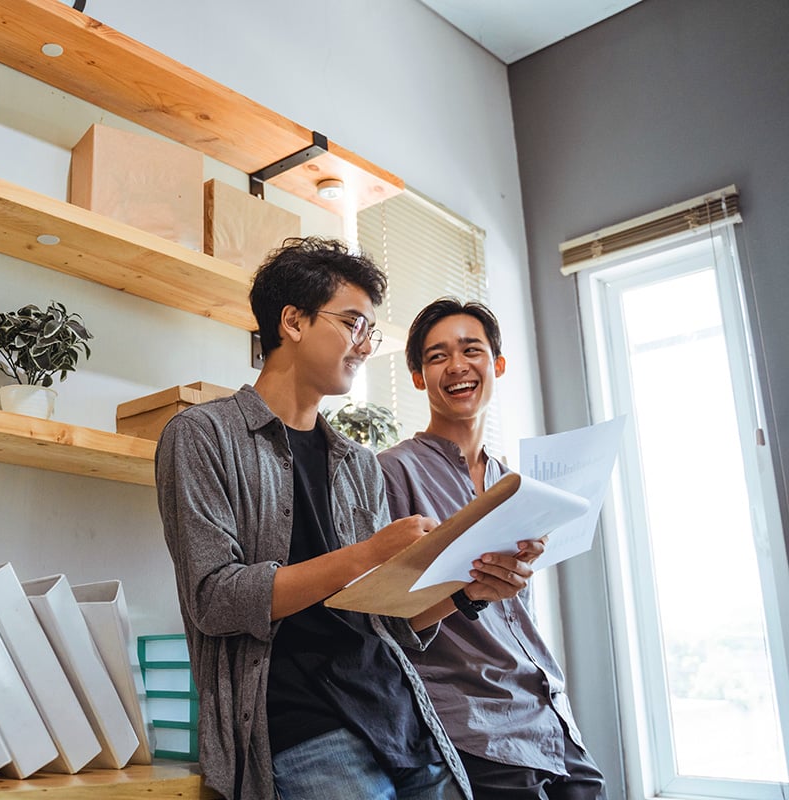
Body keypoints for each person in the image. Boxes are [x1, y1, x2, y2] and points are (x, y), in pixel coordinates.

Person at [155, 238, 538, 800]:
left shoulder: (357, 463)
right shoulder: (201, 435)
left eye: (370, 330)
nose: (365, 344)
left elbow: (390, 621)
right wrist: (368, 553)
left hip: (403, 719)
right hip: (298, 728)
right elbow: (214, 599)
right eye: (353, 322)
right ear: (292, 321)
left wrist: (469, 590)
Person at [377, 297, 608, 799]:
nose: (457, 366)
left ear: (497, 364)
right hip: (471, 724)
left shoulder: (518, 483)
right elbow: (385, 621)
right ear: (418, 376)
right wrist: (468, 589)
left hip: (549, 712)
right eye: (437, 357)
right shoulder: (392, 473)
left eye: (471, 350)